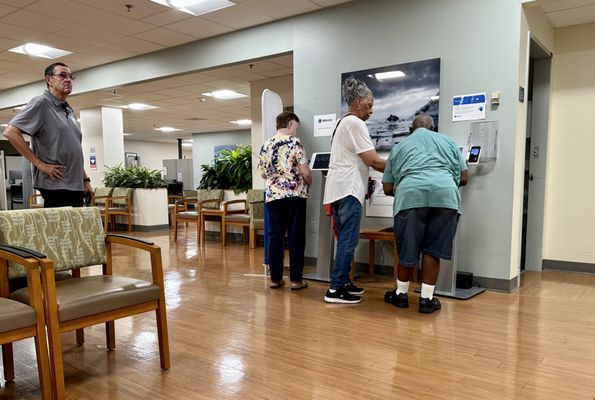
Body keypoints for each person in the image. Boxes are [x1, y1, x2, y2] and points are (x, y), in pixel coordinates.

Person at [382, 114, 468, 313]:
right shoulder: (449, 142)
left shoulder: (398, 147)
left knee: (407, 249)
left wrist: (407, 188)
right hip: (445, 198)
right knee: (432, 250)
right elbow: (464, 178)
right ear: (433, 129)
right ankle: (427, 300)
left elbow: (387, 188)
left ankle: (401, 295)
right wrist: (442, 183)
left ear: (410, 130)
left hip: (410, 198)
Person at [322, 77, 386, 304]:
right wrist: (401, 164)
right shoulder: (356, 124)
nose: (372, 110)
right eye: (369, 105)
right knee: (348, 241)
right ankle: (335, 289)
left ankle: (343, 282)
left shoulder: (342, 122)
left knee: (345, 240)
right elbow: (373, 161)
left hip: (339, 189)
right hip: (348, 190)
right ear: (358, 102)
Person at [3, 62, 93, 208]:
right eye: (63, 75)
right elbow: (10, 132)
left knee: (75, 230)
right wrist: (41, 165)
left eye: (71, 76)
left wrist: (85, 180)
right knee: (59, 230)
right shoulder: (41, 103)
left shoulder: (69, 110)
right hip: (56, 184)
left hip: (75, 185)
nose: (68, 80)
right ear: (49, 80)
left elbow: (73, 151)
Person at [257, 111, 312, 290]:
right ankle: (296, 280)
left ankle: (275, 279)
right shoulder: (294, 142)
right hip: (294, 195)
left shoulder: (266, 145)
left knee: (275, 237)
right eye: (296, 126)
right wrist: (309, 182)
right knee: (296, 237)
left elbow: (264, 174)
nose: (297, 130)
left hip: (273, 196)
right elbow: (305, 171)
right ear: (290, 124)